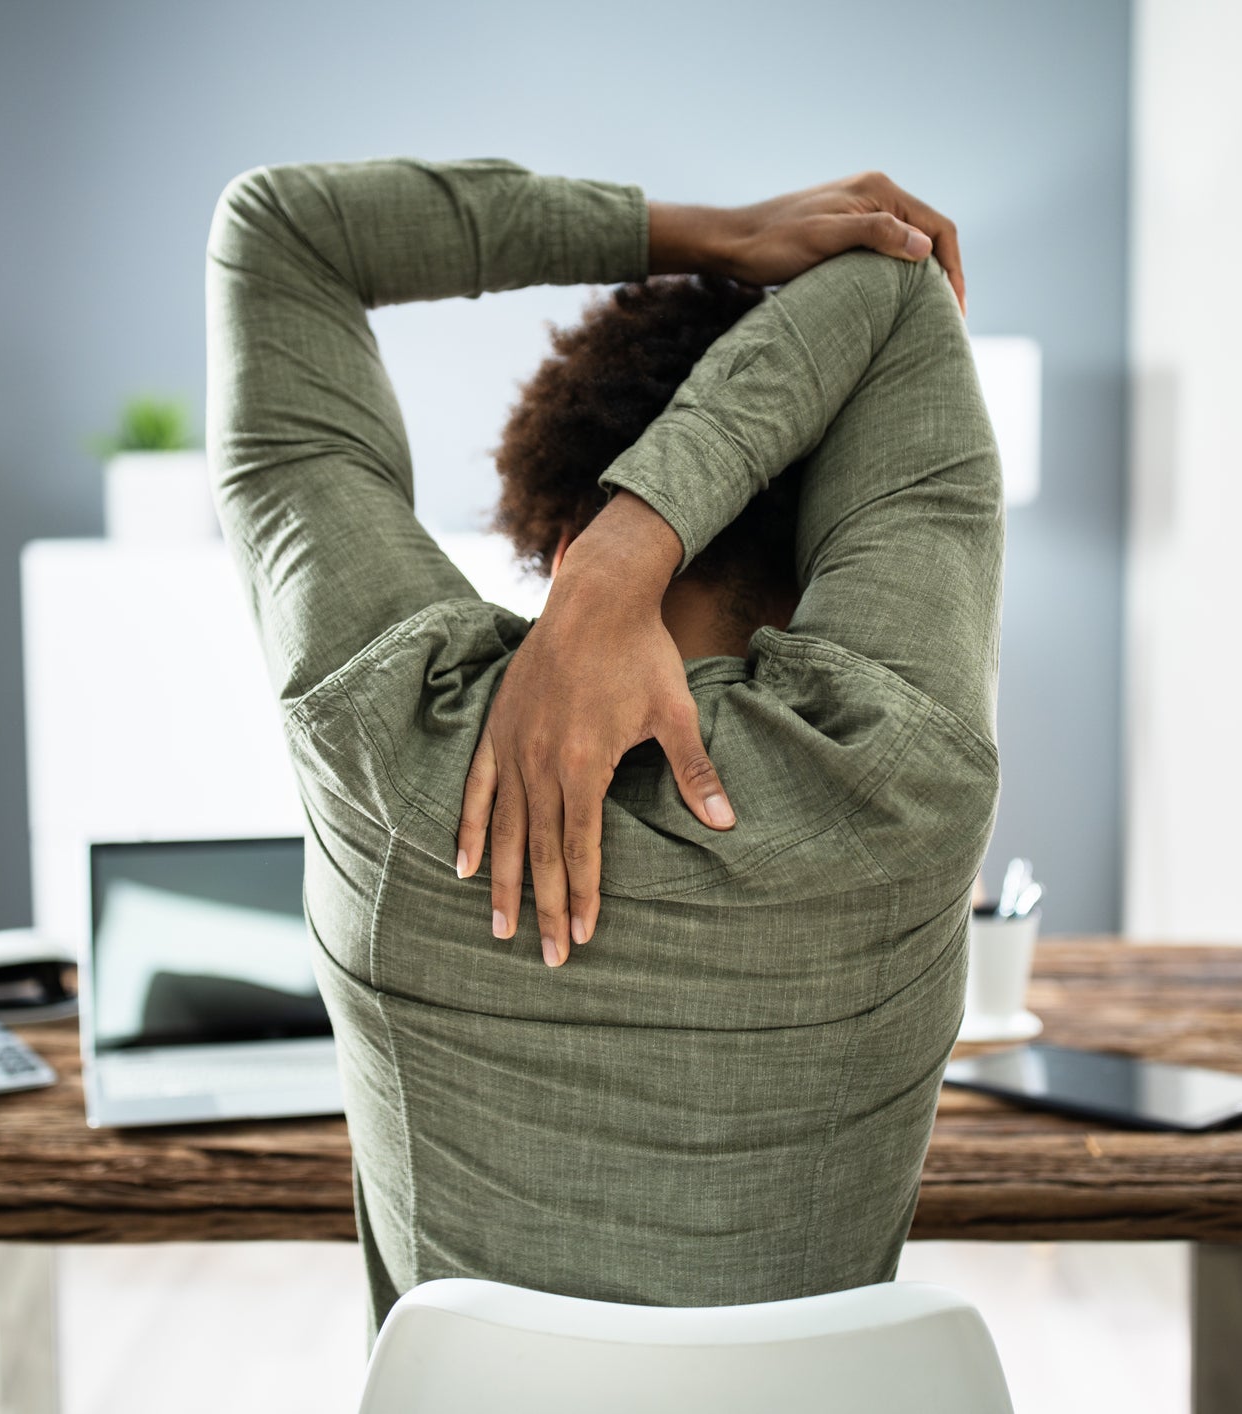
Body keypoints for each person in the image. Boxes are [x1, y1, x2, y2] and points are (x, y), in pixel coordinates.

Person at [205, 157, 1002, 1334]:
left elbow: (284, 232)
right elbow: (897, 279)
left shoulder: (385, 730)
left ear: (555, 542)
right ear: (837, 526)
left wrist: (714, 232)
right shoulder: (895, 765)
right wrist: (649, 533)